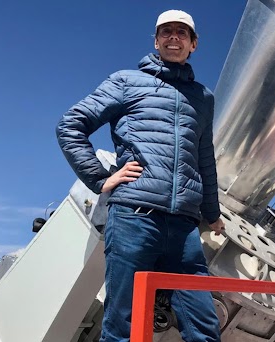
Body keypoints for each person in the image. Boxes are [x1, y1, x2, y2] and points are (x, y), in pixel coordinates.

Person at [56, 9, 224, 342]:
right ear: (157, 40)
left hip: (183, 228)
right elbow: (71, 125)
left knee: (204, 326)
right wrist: (102, 179)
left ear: (193, 44)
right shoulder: (126, 81)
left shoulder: (203, 99)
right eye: (166, 32)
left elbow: (205, 159)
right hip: (135, 217)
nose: (173, 37)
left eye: (181, 33)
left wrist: (213, 214)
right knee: (123, 325)